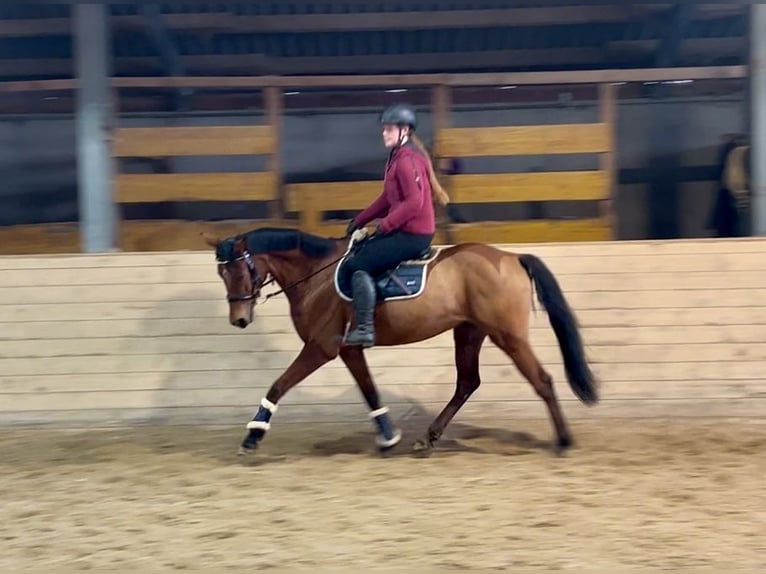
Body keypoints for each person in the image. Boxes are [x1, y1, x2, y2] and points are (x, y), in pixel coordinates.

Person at [341, 103, 450, 348]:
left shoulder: (406, 161)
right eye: (384, 129)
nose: (384, 133)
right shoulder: (397, 158)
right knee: (362, 251)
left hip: (413, 235)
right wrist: (360, 220)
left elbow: (415, 202)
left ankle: (366, 329)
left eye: (389, 129)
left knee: (358, 263)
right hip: (404, 230)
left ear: (405, 131)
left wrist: (385, 226)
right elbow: (387, 199)